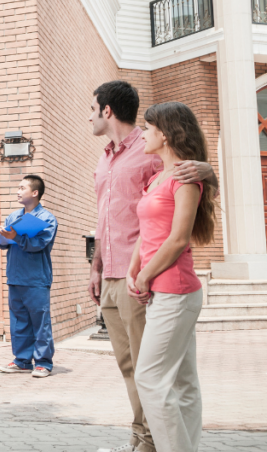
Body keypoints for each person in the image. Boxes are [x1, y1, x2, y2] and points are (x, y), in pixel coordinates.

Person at [87, 81, 216, 452]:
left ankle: (149, 444)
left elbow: (189, 191)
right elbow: (106, 217)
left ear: (107, 110)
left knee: (154, 376)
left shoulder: (150, 152)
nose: (89, 115)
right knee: (135, 370)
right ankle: (146, 440)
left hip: (154, 280)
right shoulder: (106, 158)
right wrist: (96, 267)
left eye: (91, 108)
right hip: (116, 273)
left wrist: (209, 170)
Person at [128, 102, 215, 452]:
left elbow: (178, 239)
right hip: (162, 290)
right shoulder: (156, 178)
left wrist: (146, 275)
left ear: (164, 133)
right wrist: (136, 268)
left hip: (175, 291)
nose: (143, 134)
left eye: (147, 129)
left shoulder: (185, 178)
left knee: (149, 377)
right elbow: (147, 231)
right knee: (182, 381)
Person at [0, 175, 58, 378]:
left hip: (36, 278)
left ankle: (43, 363)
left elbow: (39, 245)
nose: (17, 191)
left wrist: (16, 237)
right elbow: (3, 244)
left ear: (35, 192)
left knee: (40, 322)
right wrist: (2, 237)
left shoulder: (47, 219)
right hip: (15, 277)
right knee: (19, 321)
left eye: (22, 188)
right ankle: (22, 361)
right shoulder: (13, 217)